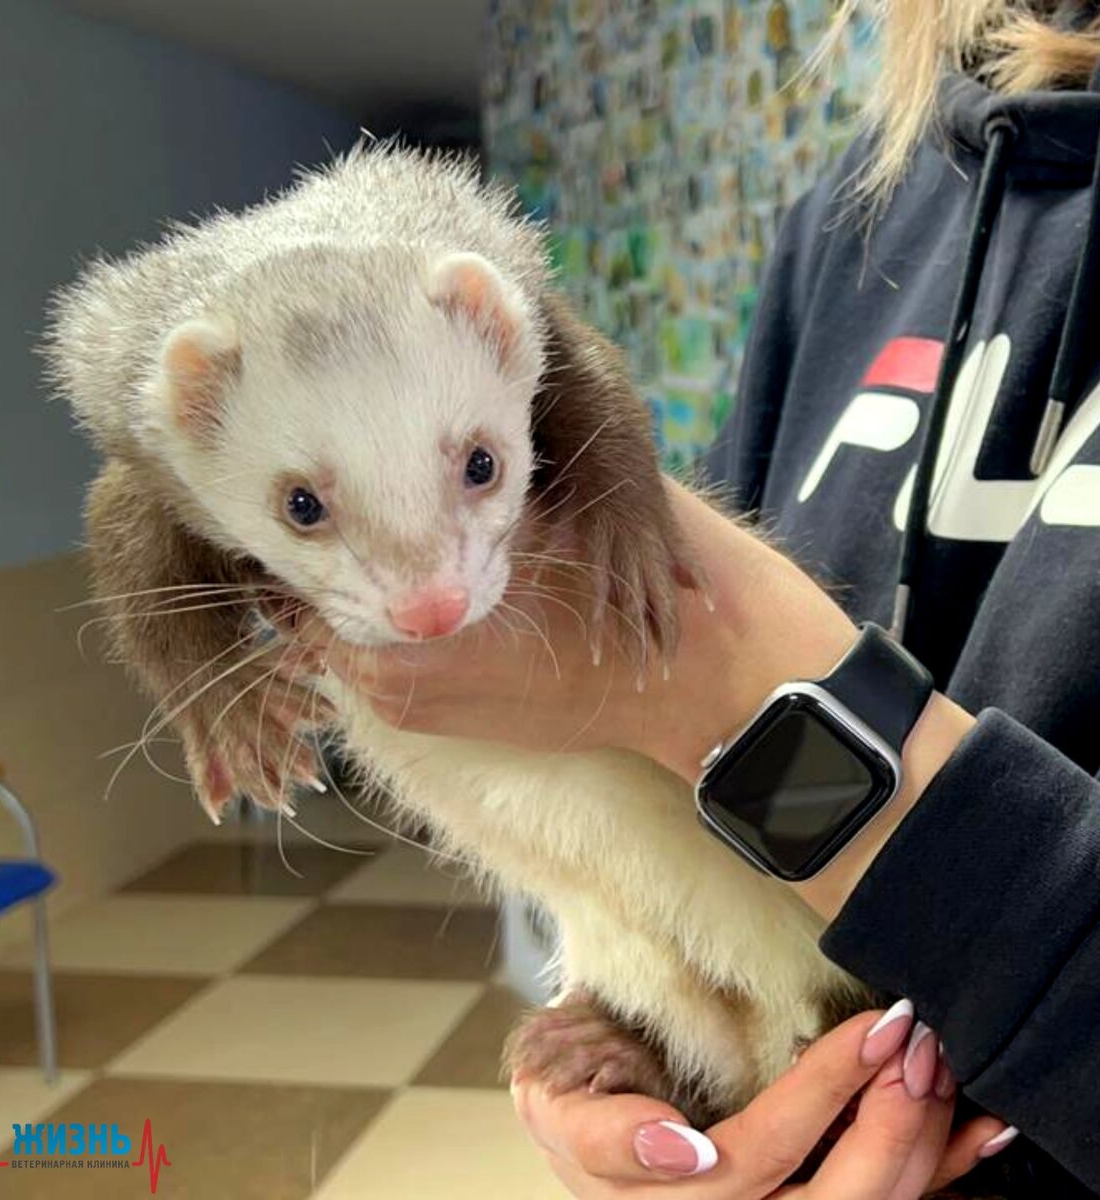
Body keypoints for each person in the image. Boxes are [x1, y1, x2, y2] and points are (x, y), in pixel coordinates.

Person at [324, 0, 1100, 1193]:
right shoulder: (857, 215)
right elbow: (667, 791)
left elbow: (698, 686)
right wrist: (649, 1028)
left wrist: (733, 681)